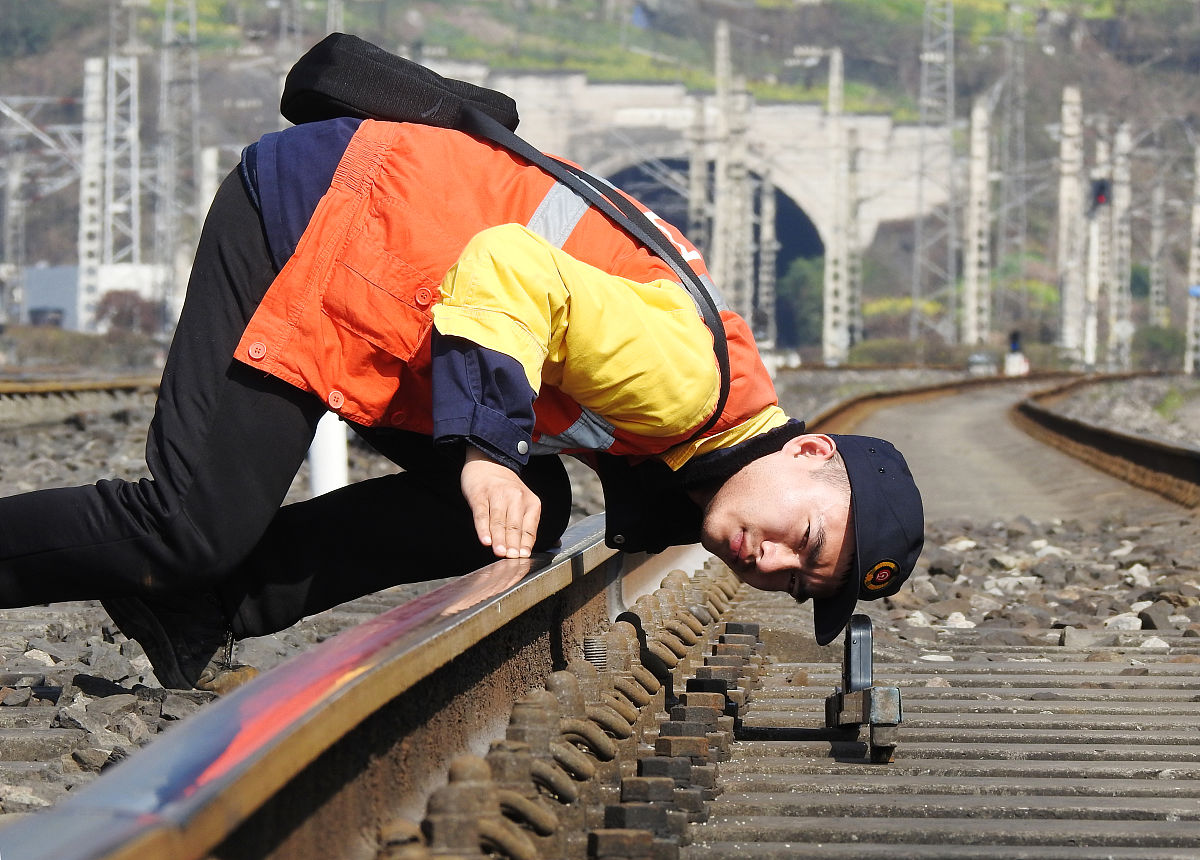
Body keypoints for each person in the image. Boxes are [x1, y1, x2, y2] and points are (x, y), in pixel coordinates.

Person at [0, 115, 924, 690]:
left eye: (790, 582)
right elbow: (509, 266)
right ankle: (196, 581)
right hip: (321, 219)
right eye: (801, 541)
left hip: (387, 285)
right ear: (812, 454)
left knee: (528, 513)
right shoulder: (686, 383)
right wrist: (487, 450)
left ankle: (195, 612)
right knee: (187, 525)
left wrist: (507, 469)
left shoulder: (705, 441)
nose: (764, 561)